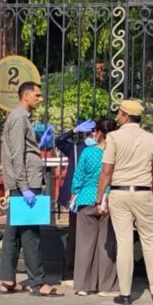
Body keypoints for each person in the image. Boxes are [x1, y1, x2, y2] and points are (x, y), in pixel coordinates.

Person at [96, 100, 153, 305]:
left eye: (119, 113)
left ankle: (126, 293)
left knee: (124, 243)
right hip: (143, 191)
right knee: (150, 241)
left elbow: (107, 171)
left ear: (126, 116)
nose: (117, 116)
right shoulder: (152, 140)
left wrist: (100, 197)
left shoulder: (114, 137)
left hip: (119, 192)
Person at [0, 81, 63, 297]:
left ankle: (7, 279)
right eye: (37, 95)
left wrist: (39, 145)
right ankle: (37, 282)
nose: (40, 99)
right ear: (25, 95)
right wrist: (24, 186)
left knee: (13, 233)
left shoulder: (19, 117)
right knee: (30, 234)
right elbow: (17, 154)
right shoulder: (19, 118)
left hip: (22, 183)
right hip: (26, 183)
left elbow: (23, 149)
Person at [40, 119, 96, 286]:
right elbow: (59, 141)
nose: (91, 135)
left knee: (90, 236)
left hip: (93, 196)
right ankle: (69, 273)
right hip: (76, 197)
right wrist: (73, 131)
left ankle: (88, 274)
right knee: (74, 235)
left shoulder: (101, 149)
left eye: (94, 131)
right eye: (89, 132)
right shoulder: (76, 148)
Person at [71, 118, 119, 297]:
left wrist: (75, 193)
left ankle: (83, 285)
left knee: (85, 244)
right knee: (107, 244)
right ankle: (107, 286)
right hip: (109, 198)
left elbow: (78, 176)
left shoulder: (88, 152)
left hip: (86, 198)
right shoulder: (116, 153)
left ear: (98, 133)